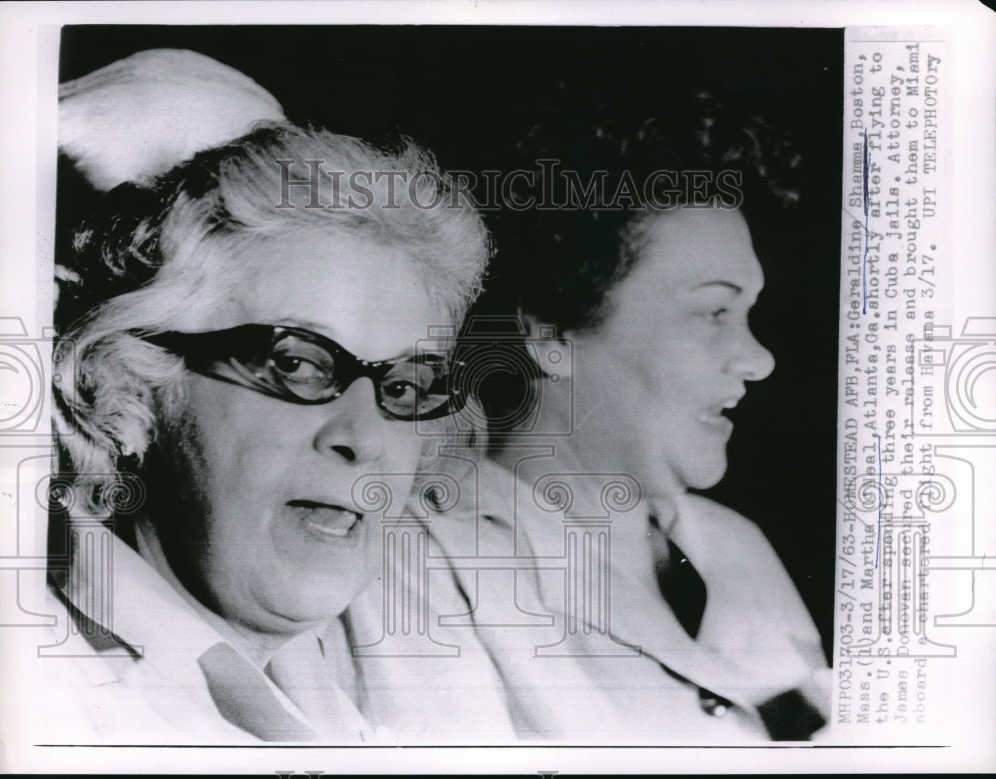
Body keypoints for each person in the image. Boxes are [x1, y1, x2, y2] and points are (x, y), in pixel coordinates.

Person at [43, 54, 498, 742]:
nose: (364, 435)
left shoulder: (363, 699)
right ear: (130, 391)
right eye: (296, 363)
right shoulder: (52, 698)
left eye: (403, 385)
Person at [450, 93, 832, 741]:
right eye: (714, 312)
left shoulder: (736, 544)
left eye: (749, 315)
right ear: (551, 333)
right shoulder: (435, 564)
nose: (758, 359)